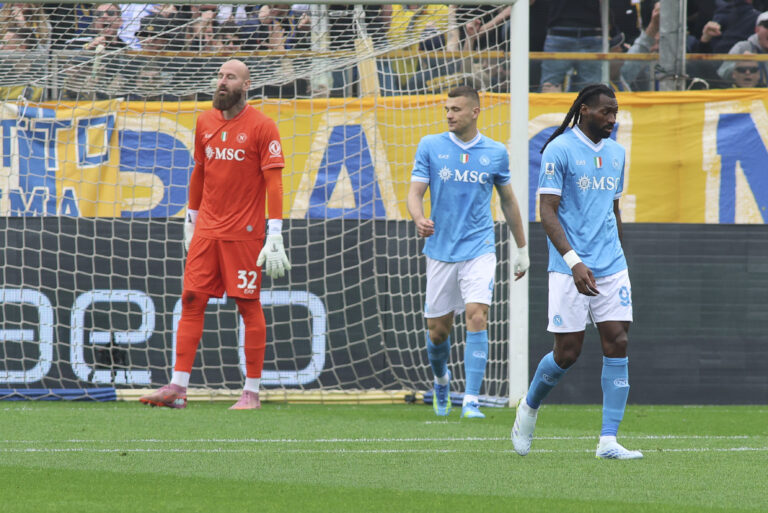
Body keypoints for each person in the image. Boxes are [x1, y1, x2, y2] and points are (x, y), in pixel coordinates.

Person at [139, 59, 291, 410]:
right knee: (191, 299)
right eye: (220, 76)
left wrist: (275, 233)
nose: (222, 82)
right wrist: (191, 218)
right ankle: (178, 388)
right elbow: (199, 171)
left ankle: (251, 392)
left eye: (230, 77)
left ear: (246, 85)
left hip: (244, 233)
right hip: (207, 230)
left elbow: (275, 183)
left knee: (247, 305)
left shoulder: (263, 126)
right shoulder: (204, 121)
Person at [511, 83, 642, 460]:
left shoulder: (616, 153)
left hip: (611, 265)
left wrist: (618, 254)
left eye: (615, 112)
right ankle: (529, 407)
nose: (612, 119)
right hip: (570, 267)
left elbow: (613, 209)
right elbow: (547, 211)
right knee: (567, 352)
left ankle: (608, 441)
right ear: (584, 110)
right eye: (606, 112)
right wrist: (574, 262)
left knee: (617, 341)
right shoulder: (559, 149)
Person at [407, 85, 529, 419]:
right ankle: (441, 380)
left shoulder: (495, 152)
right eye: (447, 109)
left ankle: (471, 400)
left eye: (456, 109)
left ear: (475, 112)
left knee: (477, 314)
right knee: (438, 332)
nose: (449, 115)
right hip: (441, 249)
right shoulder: (430, 145)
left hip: (479, 246)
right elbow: (415, 192)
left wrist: (522, 248)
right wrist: (418, 218)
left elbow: (508, 200)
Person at [718, 11, 768, 82]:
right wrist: (740, 63)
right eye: (767, 25)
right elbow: (723, 73)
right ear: (757, 29)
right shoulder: (742, 47)